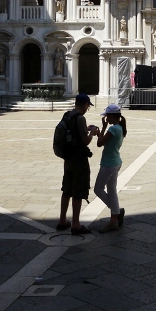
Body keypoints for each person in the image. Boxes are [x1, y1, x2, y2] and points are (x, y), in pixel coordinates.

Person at [58, 94, 98, 235]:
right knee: (78, 190)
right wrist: (92, 133)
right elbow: (85, 141)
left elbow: (72, 132)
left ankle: (62, 220)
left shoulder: (68, 115)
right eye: (88, 106)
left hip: (68, 158)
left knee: (67, 189)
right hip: (79, 159)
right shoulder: (80, 118)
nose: (87, 108)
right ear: (85, 104)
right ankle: (76, 224)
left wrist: (85, 128)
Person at [94, 104, 127, 233]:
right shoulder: (120, 128)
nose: (106, 118)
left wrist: (102, 129)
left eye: (107, 116)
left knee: (98, 189)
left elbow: (99, 143)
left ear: (112, 116)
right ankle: (114, 218)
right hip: (116, 162)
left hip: (108, 164)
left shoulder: (113, 129)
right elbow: (104, 142)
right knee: (112, 190)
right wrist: (102, 131)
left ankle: (115, 213)